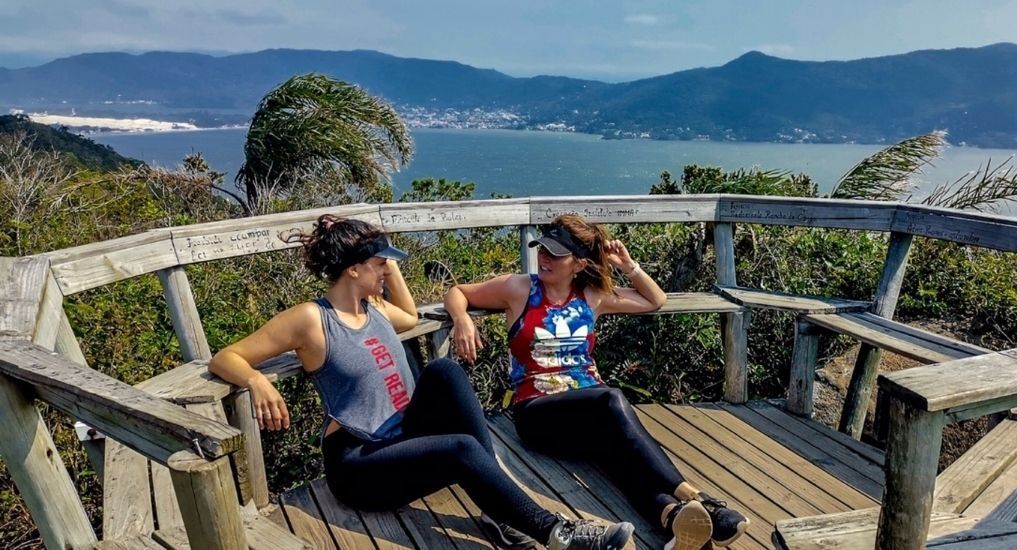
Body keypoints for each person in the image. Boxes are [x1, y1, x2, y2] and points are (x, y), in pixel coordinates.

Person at [208, 214, 635, 550]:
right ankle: (558, 534)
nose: (387, 270)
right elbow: (226, 356)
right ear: (354, 270)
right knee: (461, 447)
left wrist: (389, 270)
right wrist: (257, 382)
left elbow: (410, 316)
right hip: (358, 463)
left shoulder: (372, 308)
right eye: (379, 264)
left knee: (443, 371)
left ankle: (499, 514)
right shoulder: (311, 319)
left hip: (398, 436)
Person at [445, 214, 749, 550]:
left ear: (578, 264)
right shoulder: (519, 289)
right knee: (610, 400)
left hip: (588, 411)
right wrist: (461, 320)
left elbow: (655, 300)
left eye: (555, 254)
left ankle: (673, 516)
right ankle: (699, 497)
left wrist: (628, 265)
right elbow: (457, 292)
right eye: (542, 249)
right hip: (535, 413)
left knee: (620, 457)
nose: (544, 258)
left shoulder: (592, 297)